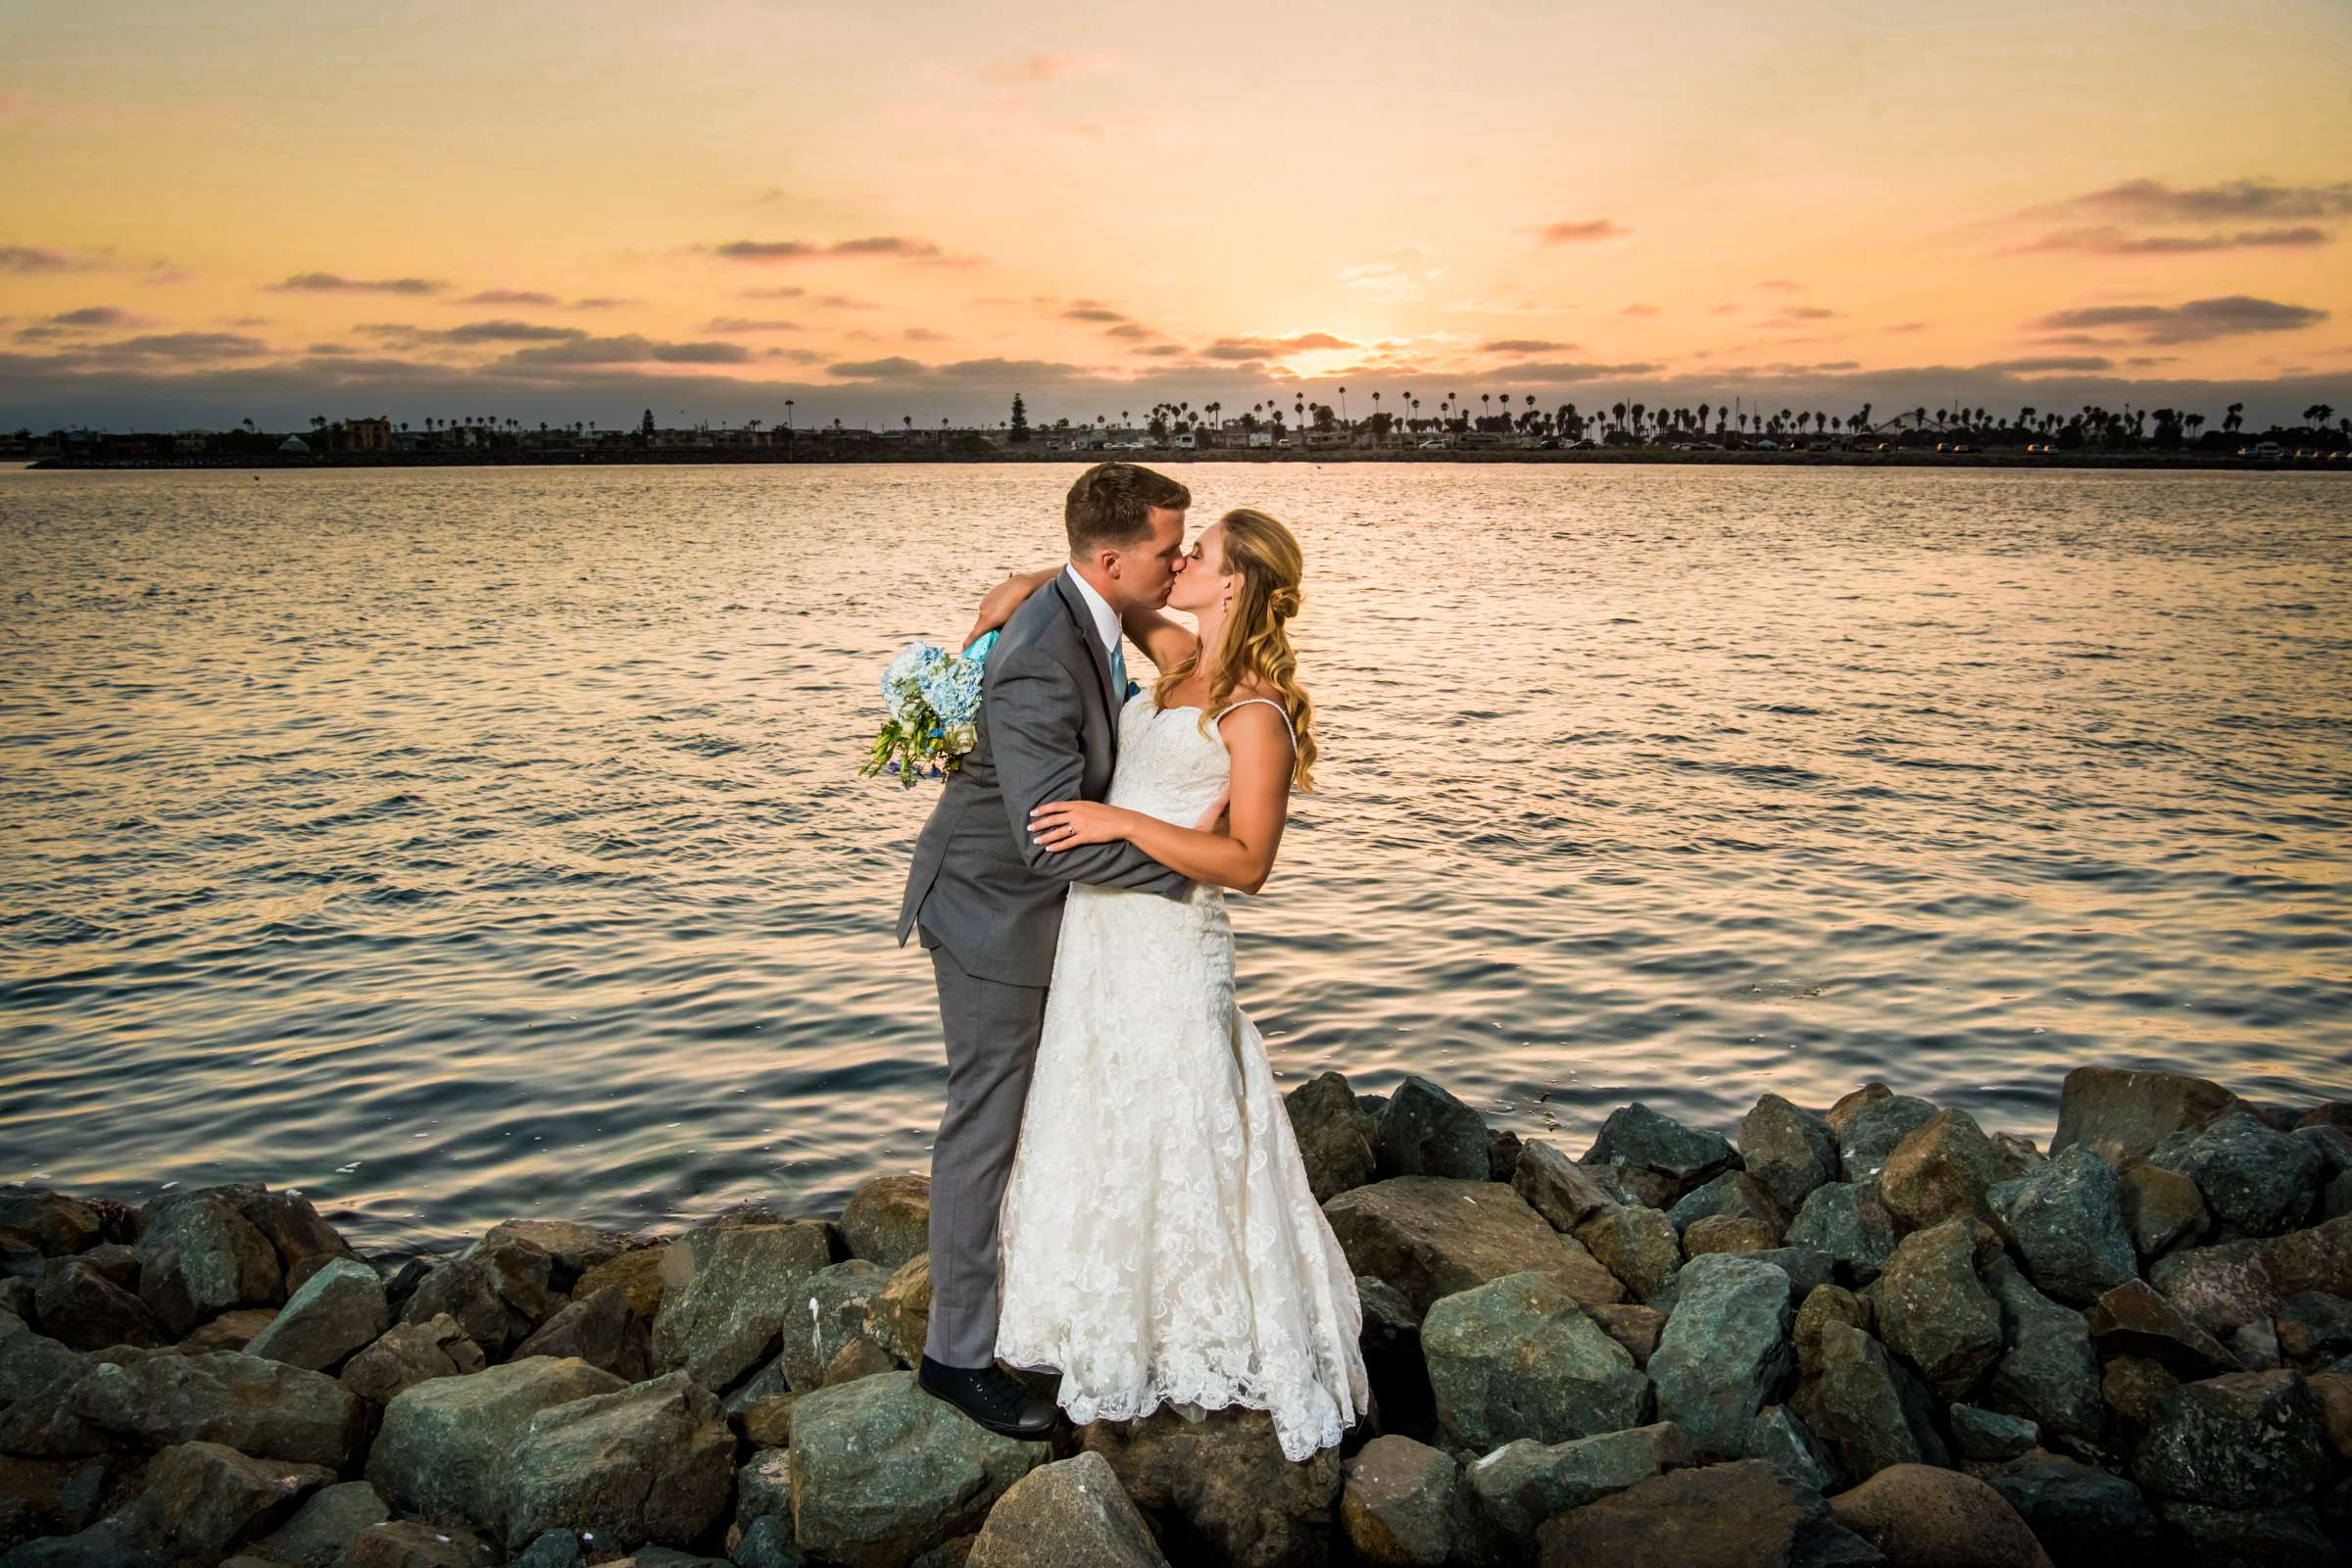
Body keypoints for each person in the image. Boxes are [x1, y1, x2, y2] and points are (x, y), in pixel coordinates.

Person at [967, 503, 1372, 1464]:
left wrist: (1122, 826)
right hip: (1099, 942)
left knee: (1172, 1126)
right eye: (1182, 548)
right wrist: (1022, 589)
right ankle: (1095, 1334)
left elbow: (1247, 861)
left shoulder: (1254, 709)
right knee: (1097, 1118)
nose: (1182, 558)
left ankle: (1198, 1337)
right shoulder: (1180, 658)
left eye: (1204, 552)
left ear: (1236, 580)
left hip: (1169, 944)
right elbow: (1093, 590)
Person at [896, 461, 1199, 1439]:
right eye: (1168, 548)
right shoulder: (1039, 654)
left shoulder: (1087, 609)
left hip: (1050, 914)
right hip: (993, 913)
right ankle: (956, 1357)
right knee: (984, 1126)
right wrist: (1201, 872)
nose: (1182, 559)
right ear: (1112, 560)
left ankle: (1053, 1301)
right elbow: (1044, 836)